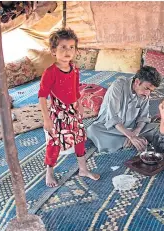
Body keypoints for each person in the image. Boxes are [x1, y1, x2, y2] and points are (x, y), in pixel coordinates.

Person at [38, 28, 100, 187]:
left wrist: (78, 104)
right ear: (53, 50)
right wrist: (46, 118)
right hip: (58, 114)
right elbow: (42, 95)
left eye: (71, 47)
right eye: (63, 47)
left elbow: (75, 88)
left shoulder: (74, 68)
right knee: (55, 143)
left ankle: (83, 169)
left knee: (80, 139)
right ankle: (49, 172)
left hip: (73, 112)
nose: (68, 51)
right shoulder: (50, 72)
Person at [87, 66, 162, 153]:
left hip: (132, 127)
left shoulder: (145, 94)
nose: (148, 93)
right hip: (111, 127)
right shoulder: (118, 85)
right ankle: (133, 141)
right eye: (147, 88)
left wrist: (135, 133)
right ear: (137, 81)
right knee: (93, 130)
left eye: (151, 91)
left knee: (158, 128)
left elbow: (143, 117)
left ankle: (131, 140)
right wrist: (131, 136)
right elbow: (112, 117)